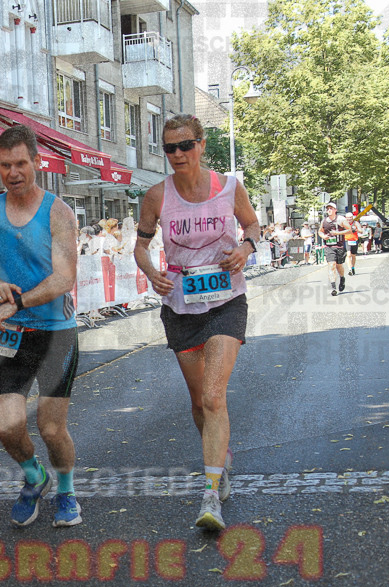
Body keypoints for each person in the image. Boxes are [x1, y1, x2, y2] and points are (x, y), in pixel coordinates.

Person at [134, 114, 260, 532]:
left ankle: (209, 494)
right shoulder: (156, 196)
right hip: (181, 307)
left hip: (226, 302)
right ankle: (219, 459)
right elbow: (140, 246)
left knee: (213, 396)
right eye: (170, 148)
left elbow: (252, 225)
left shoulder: (229, 187)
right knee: (197, 401)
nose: (178, 154)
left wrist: (244, 249)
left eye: (185, 145)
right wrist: (151, 273)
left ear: (202, 145)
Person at [0, 124, 81, 528]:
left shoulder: (58, 212)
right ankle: (35, 477)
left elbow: (63, 278)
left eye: (20, 163)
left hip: (55, 333)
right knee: (7, 426)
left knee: (50, 428)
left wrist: (13, 303)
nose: (13, 173)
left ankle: (66, 491)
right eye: (5, 165)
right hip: (11, 336)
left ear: (36, 162)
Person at [318, 203, 348, 296]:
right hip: (329, 247)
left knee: (339, 266)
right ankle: (333, 287)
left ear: (335, 210)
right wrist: (323, 236)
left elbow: (349, 230)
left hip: (339, 246)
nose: (329, 210)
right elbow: (320, 231)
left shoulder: (341, 219)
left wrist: (338, 233)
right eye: (327, 209)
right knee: (331, 265)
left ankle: (342, 278)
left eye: (331, 208)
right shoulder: (324, 221)